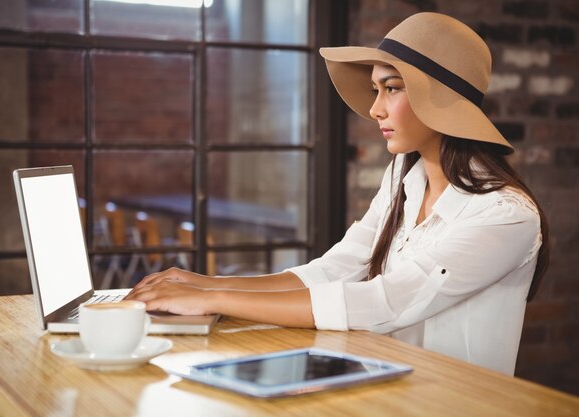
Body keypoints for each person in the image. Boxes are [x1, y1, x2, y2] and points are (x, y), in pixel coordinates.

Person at [126, 12, 549, 376]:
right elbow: (334, 270)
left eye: (393, 88)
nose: (375, 108)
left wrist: (213, 299)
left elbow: (385, 302)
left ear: (441, 101)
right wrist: (205, 285)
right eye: (376, 90)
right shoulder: (403, 178)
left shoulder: (506, 215)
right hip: (386, 388)